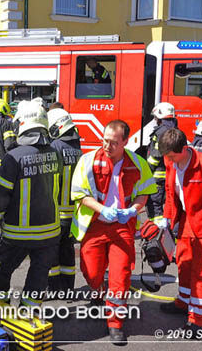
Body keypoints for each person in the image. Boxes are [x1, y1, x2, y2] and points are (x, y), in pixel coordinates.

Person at [70, 119, 156, 345]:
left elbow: (144, 192)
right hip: (95, 225)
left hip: (123, 226)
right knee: (92, 272)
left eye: (113, 142)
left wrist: (133, 210)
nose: (107, 146)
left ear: (125, 141)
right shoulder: (88, 160)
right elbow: (80, 194)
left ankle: (115, 323)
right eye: (104, 140)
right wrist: (102, 210)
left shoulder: (138, 163)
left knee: (120, 277)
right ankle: (97, 290)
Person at [0, 101, 61, 307]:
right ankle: (28, 319)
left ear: (21, 125)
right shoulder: (55, 153)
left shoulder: (13, 158)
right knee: (38, 278)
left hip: (18, 234)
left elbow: (0, 198)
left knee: (0, 272)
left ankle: (0, 314)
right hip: (50, 233)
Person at [156, 128, 202, 333]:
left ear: (184, 149)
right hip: (188, 221)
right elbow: (171, 194)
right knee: (184, 263)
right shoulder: (170, 161)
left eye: (171, 155)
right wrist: (167, 219)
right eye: (166, 156)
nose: (168, 160)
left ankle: (197, 320)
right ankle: (184, 301)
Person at [46, 108, 82, 292]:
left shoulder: (55, 147)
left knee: (52, 251)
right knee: (67, 250)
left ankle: (53, 288)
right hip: (74, 213)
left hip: (56, 211)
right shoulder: (77, 148)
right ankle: (68, 287)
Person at [146, 102, 178, 225]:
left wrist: (147, 170)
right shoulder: (175, 130)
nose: (155, 119)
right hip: (172, 175)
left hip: (158, 176)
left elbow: (155, 156)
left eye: (155, 117)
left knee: (154, 204)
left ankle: (156, 232)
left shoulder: (160, 132)